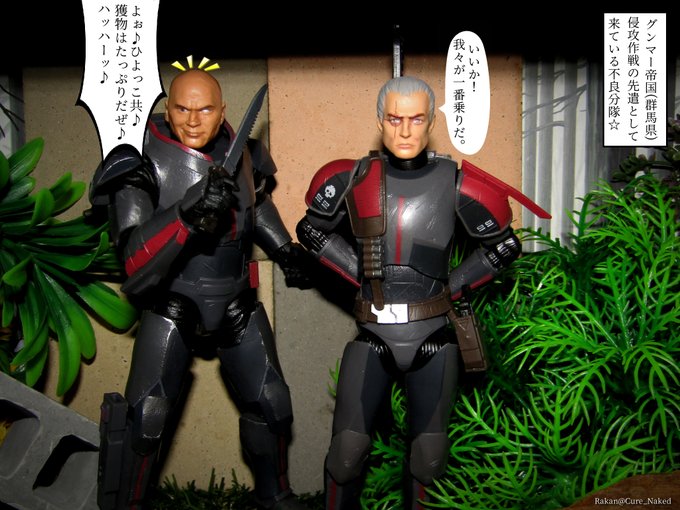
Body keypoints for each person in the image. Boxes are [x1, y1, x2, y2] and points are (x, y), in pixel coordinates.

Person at [296, 76, 550, 509]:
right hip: (373, 333)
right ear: (380, 120)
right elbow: (310, 230)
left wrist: (451, 288)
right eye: (395, 119)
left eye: (416, 119)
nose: (405, 130)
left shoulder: (456, 181)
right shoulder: (351, 176)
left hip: (433, 334)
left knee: (429, 457)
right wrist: (361, 272)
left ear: (432, 122)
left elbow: (505, 246)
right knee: (346, 453)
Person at [90, 68, 310, 510]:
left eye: (205, 109)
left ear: (222, 111)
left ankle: (274, 495)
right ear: (167, 109)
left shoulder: (243, 152)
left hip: (236, 300)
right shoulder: (139, 161)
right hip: (172, 301)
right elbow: (133, 259)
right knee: (147, 415)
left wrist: (284, 249)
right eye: (182, 109)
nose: (193, 120)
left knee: (272, 401)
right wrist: (187, 213)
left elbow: (256, 204)